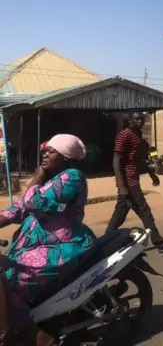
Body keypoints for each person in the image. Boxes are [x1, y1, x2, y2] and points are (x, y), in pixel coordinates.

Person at [0, 134, 96, 346]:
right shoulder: (53, 178)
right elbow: (19, 208)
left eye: (51, 151)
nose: (45, 153)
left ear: (66, 157)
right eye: (45, 150)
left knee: (10, 284)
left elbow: (32, 202)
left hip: (61, 247)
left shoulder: (72, 177)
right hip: (35, 246)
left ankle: (39, 338)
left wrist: (38, 174)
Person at [106, 112, 163, 255]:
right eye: (137, 119)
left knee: (119, 215)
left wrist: (152, 175)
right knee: (144, 211)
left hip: (133, 178)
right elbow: (116, 160)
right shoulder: (125, 135)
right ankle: (160, 243)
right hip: (128, 181)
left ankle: (105, 242)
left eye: (142, 119)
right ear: (130, 121)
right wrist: (122, 186)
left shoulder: (137, 135)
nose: (140, 122)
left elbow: (140, 160)